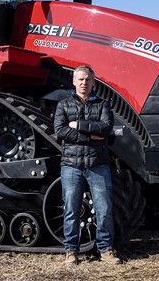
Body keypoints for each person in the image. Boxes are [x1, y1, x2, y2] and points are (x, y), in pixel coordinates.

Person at [53, 65, 121, 265]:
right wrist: (92, 136)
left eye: (88, 80)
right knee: (71, 209)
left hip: (97, 164)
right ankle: (71, 251)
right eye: (80, 80)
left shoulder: (103, 105)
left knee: (104, 208)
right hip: (71, 165)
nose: (84, 83)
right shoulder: (63, 105)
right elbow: (60, 131)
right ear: (74, 82)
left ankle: (106, 249)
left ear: (93, 82)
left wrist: (80, 126)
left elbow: (106, 128)